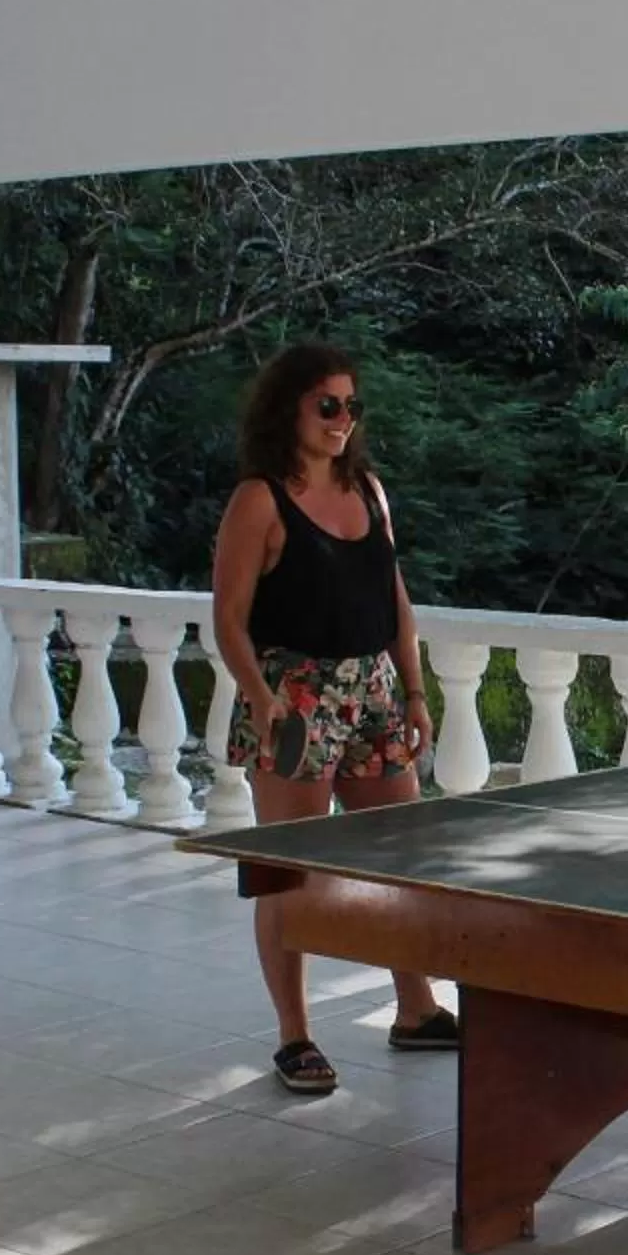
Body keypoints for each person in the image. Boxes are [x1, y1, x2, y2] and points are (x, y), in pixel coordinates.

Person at [210, 343, 455, 1093]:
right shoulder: (259, 499)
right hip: (296, 694)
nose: (342, 420)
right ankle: (295, 1036)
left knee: (399, 857)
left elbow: (396, 601)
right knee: (287, 874)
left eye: (352, 406)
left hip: (374, 690)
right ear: (289, 408)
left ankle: (415, 1010)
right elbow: (227, 618)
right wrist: (260, 697)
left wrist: (414, 693)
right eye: (328, 405)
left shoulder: (370, 491)